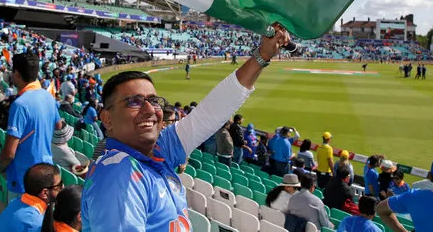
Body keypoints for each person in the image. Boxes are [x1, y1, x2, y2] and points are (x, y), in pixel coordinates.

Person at [81, 28, 290, 231]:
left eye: (153, 101)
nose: (149, 110)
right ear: (107, 119)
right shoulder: (119, 176)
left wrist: (262, 55)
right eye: (133, 102)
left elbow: (210, 113)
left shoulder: (157, 149)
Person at [0, 52, 62, 199]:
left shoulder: (20, 104)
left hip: (23, 178)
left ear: (17, 74)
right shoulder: (48, 97)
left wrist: (0, 167)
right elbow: (58, 125)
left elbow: (9, 152)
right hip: (45, 176)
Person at [0, 163, 63, 232]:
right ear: (44, 193)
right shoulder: (36, 224)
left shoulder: (15, 202)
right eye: (59, 185)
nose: (62, 187)